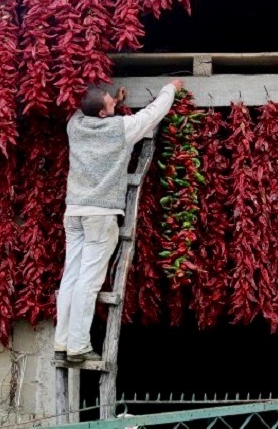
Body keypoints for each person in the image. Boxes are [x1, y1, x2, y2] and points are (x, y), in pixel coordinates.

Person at [54, 79, 183, 362]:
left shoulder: (74, 125)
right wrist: (169, 89)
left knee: (71, 277)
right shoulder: (120, 130)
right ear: (103, 113)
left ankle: (62, 342)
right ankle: (77, 345)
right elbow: (152, 115)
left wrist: (115, 102)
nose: (114, 102)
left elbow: (88, 110)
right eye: (110, 102)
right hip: (100, 216)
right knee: (89, 280)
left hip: (74, 211)